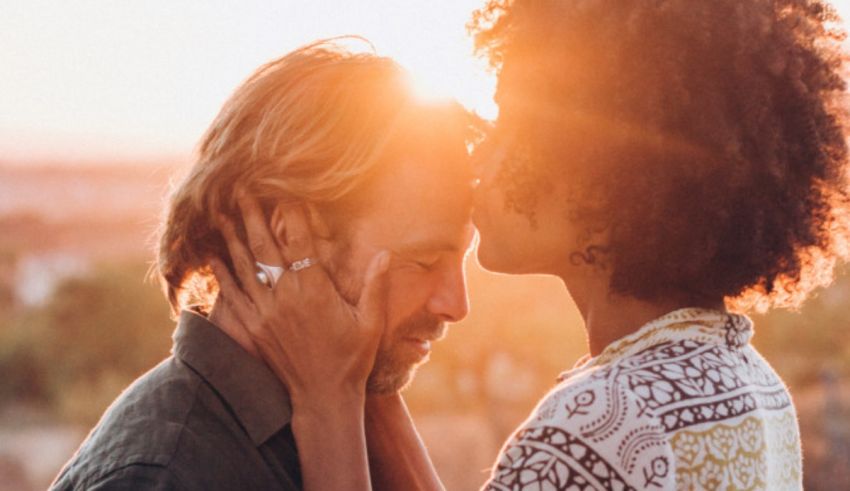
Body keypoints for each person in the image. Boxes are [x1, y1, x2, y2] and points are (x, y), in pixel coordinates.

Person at [214, 0, 850, 489]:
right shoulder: (748, 385)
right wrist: (369, 382)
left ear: (605, 181)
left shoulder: (599, 424)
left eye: (513, 129)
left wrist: (326, 405)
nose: (480, 158)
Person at [50, 40, 477, 490]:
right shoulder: (167, 476)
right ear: (285, 234)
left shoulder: (339, 420)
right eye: (424, 260)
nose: (457, 303)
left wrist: (358, 394)